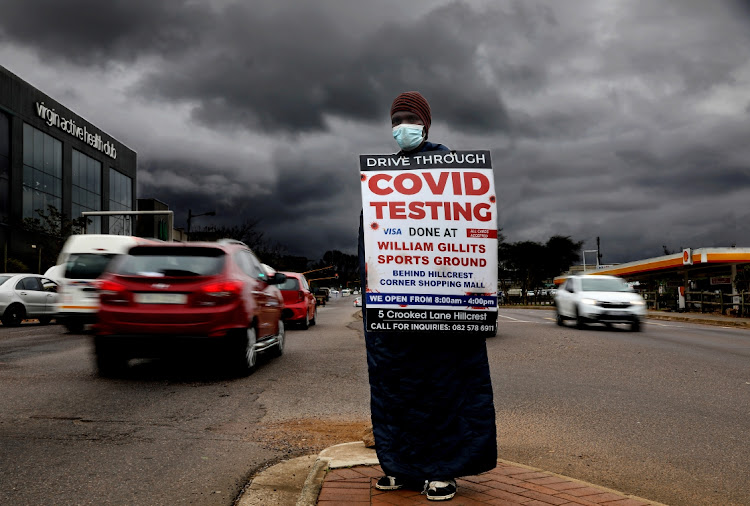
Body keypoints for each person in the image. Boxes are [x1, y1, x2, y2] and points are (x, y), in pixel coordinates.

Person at [358, 91, 497, 501]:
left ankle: (443, 470)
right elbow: (371, 240)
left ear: (426, 124)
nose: (401, 125)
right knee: (393, 389)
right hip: (391, 308)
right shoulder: (382, 178)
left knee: (443, 388)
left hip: (442, 308)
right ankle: (399, 466)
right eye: (396, 118)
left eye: (409, 118)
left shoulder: (454, 171)